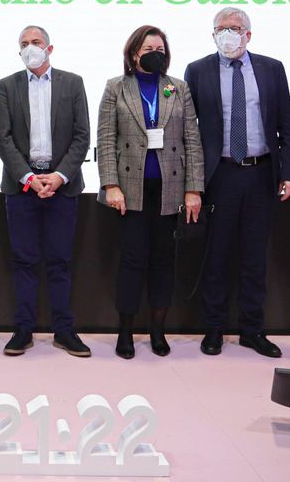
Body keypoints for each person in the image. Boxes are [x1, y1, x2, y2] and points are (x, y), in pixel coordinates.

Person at [184, 7, 290, 358]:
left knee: (254, 258)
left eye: (235, 28)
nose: (228, 34)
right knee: (216, 256)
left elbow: (287, 127)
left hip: (261, 173)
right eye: (221, 28)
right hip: (220, 175)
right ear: (212, 35)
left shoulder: (271, 68)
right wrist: (194, 183)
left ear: (249, 34)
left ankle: (253, 330)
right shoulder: (198, 70)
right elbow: (190, 131)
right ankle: (214, 330)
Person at [97, 25, 204, 359]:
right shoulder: (116, 87)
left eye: (160, 47)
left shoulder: (178, 88)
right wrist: (110, 184)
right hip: (130, 191)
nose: (156, 52)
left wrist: (193, 189)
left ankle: (158, 330)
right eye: (148, 48)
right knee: (131, 260)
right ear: (134, 53)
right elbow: (106, 139)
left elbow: (192, 140)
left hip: (170, 190)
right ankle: (125, 331)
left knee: (163, 262)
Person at [0, 25, 91, 357]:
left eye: (35, 43)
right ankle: (23, 329)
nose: (29, 48)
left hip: (62, 188)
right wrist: (28, 178)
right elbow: (2, 138)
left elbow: (82, 136)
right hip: (22, 187)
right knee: (23, 261)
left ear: (50, 49)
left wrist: (60, 176)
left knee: (60, 262)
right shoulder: (7, 86)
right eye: (23, 44)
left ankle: (64, 330)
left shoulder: (73, 83)